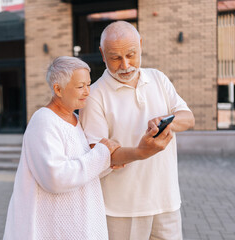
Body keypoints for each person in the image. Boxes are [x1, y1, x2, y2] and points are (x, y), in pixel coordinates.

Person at [3, 56, 172, 240]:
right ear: (58, 89)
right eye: (80, 86)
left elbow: (84, 169)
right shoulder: (44, 121)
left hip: (78, 225)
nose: (87, 92)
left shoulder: (76, 119)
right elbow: (55, 178)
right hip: (53, 228)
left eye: (88, 84)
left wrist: (108, 161)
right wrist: (102, 153)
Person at [79, 21, 195, 240]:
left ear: (140, 45)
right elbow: (98, 155)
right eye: (115, 58)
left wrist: (165, 122)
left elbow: (188, 117)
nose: (125, 65)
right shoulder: (94, 95)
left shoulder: (159, 78)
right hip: (121, 209)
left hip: (166, 202)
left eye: (131, 54)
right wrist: (142, 151)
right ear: (103, 54)